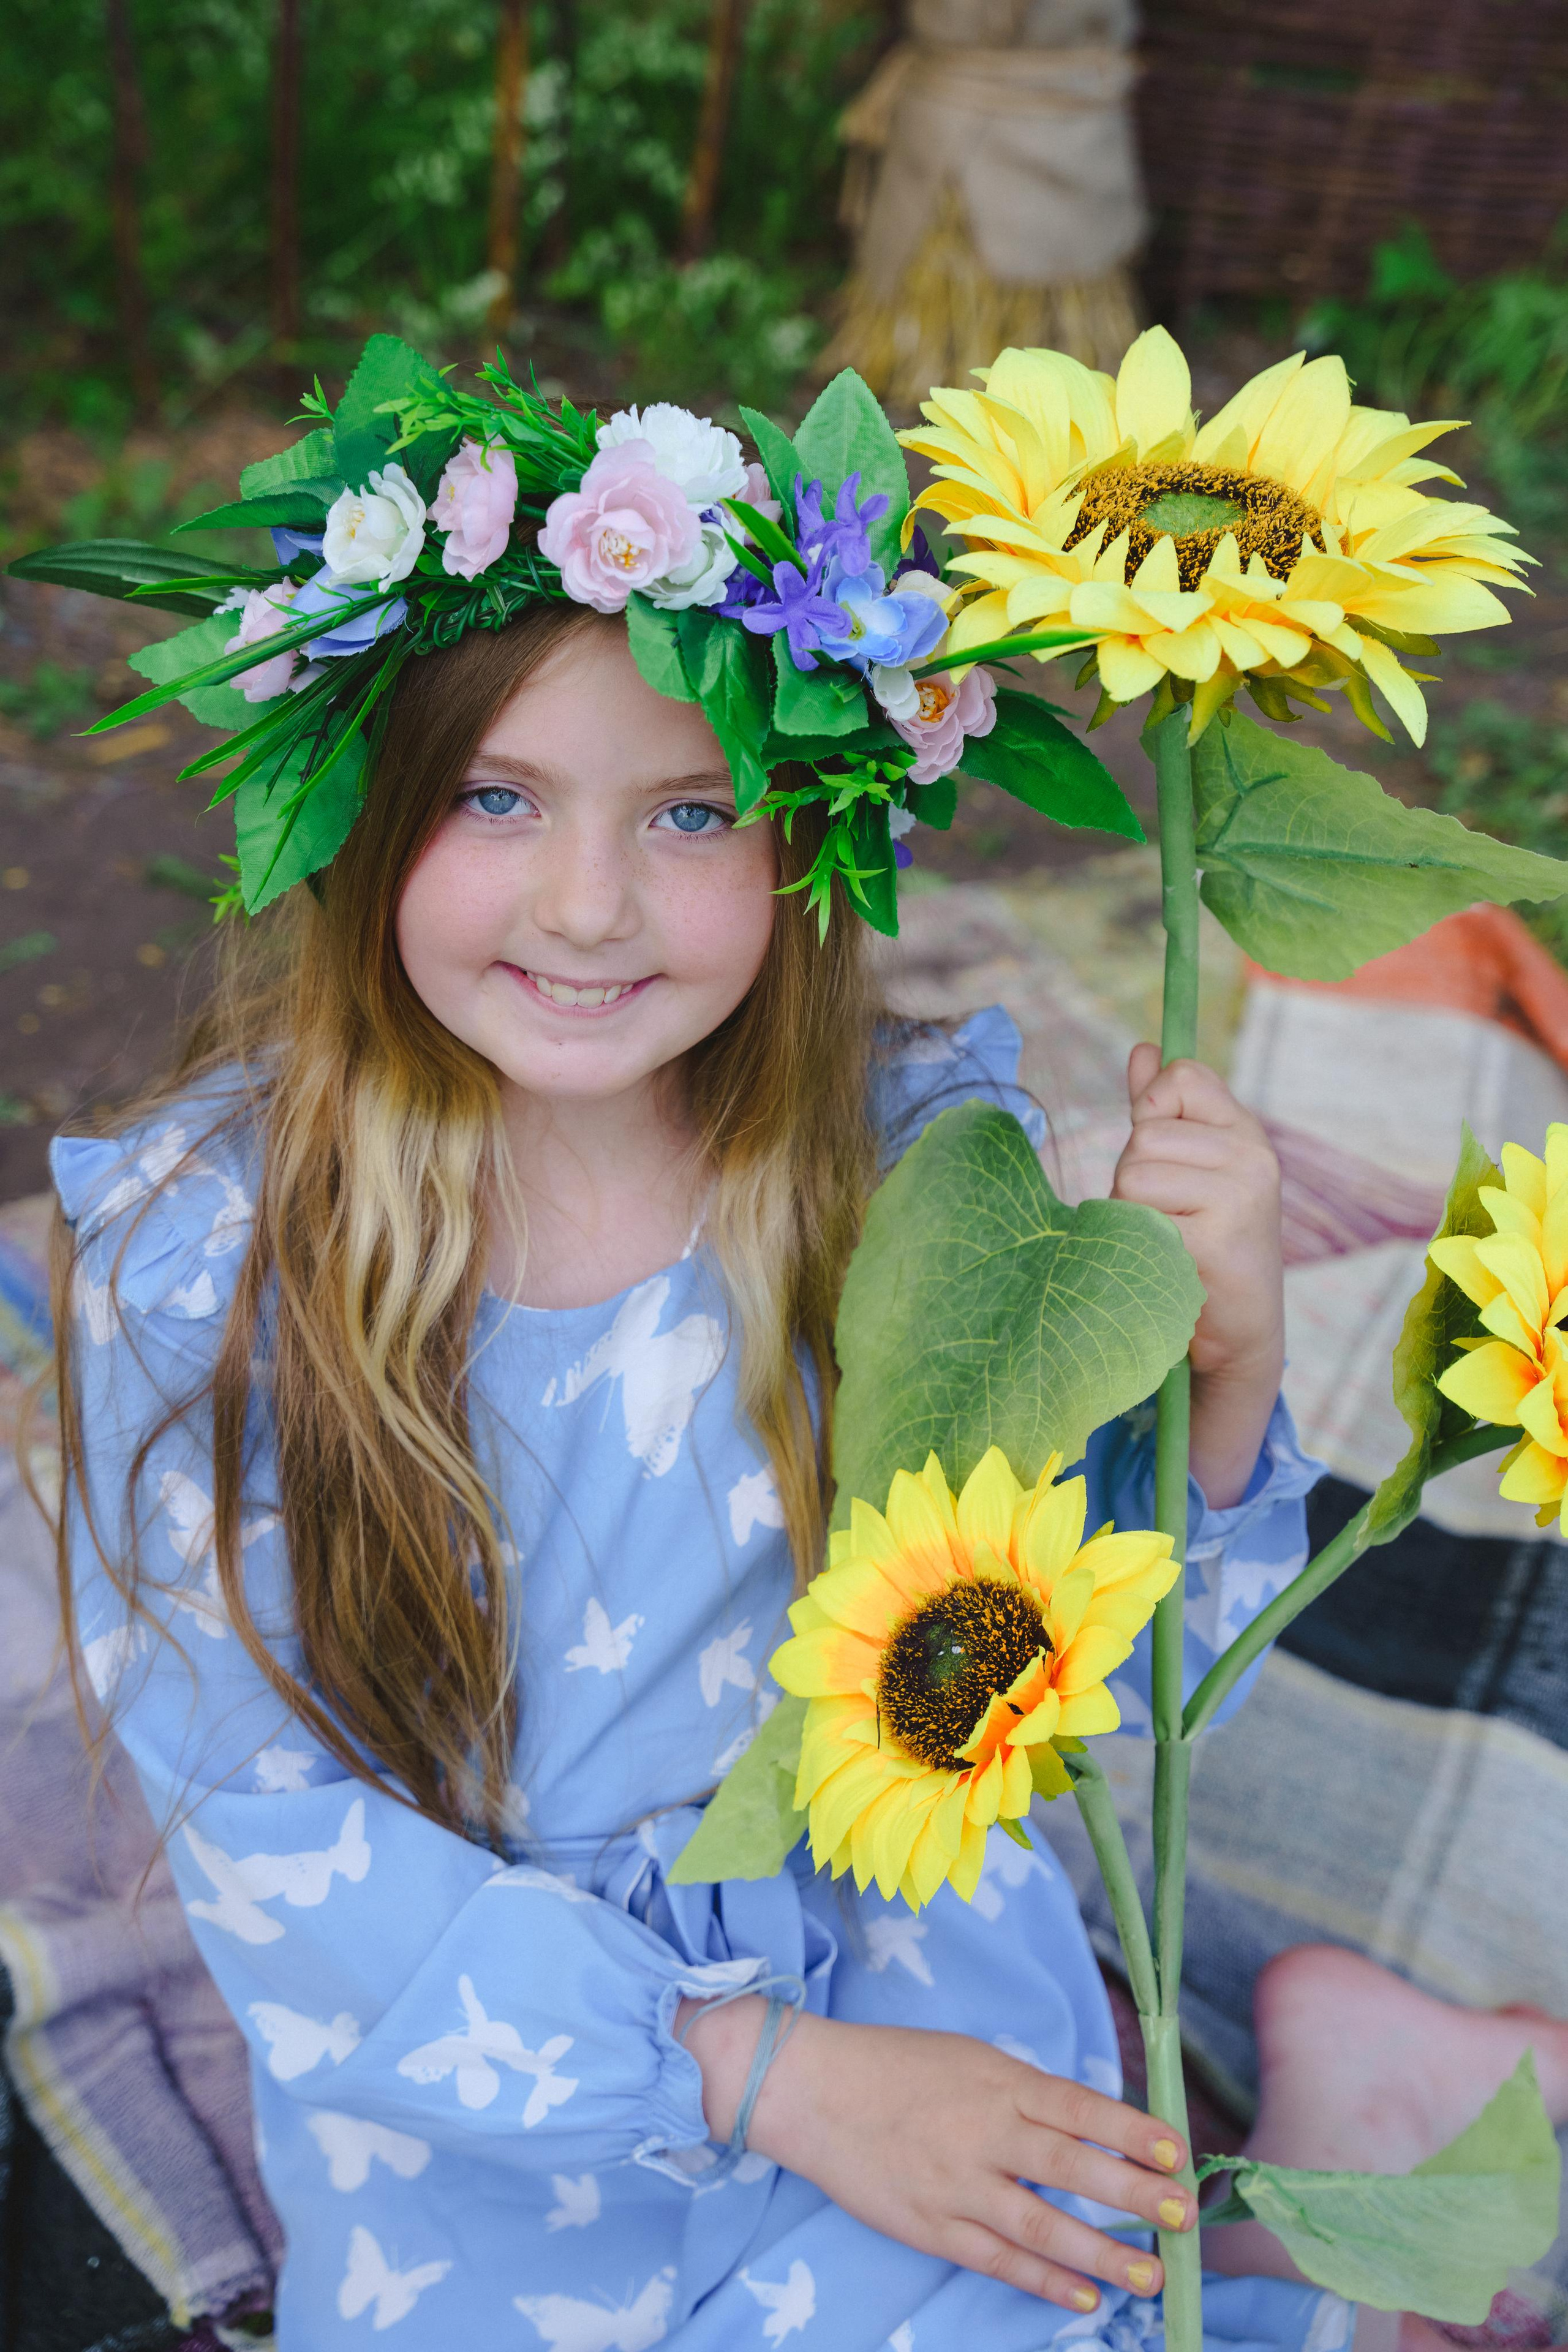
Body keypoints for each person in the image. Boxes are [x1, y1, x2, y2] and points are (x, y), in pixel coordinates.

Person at [45, 601, 1341, 2350]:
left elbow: (1103, 1694)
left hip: (915, 2030)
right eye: (496, 800)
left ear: (817, 835)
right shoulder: (208, 1259)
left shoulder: (912, 1178)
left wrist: (1233, 1356)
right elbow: (268, 1843)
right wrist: (760, 2073)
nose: (588, 903)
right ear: (357, 802)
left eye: (692, 810)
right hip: (501, 2111)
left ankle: (1347, 2112)